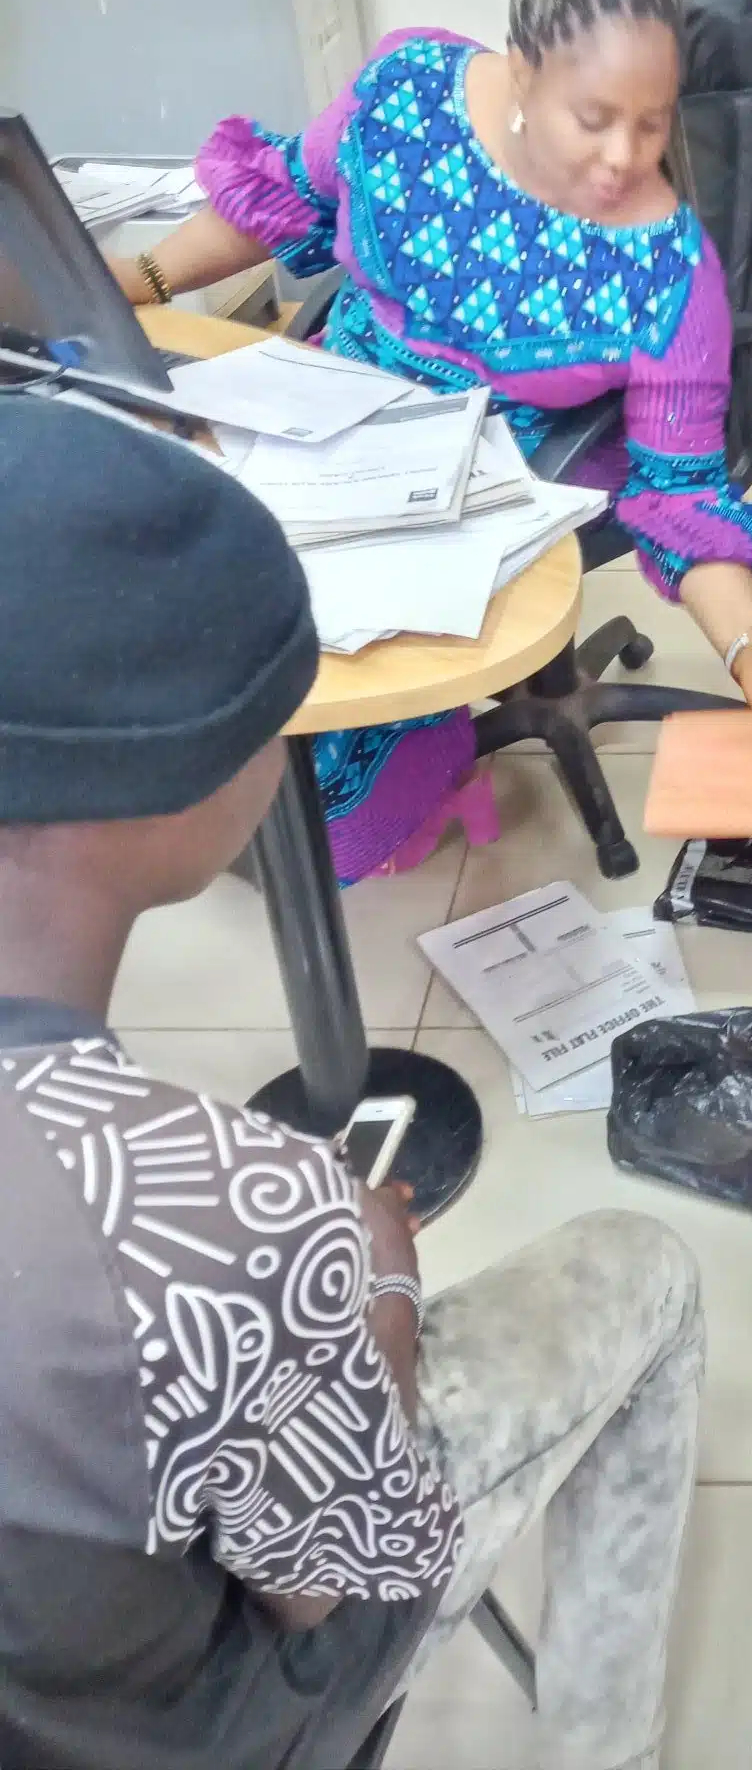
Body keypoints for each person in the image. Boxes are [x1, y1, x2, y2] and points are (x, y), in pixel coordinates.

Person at [0, 393, 702, 1770]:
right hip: (193, 1724)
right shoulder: (217, 1212)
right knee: (647, 1267)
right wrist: (370, 1282)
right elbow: (328, 1573)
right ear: (179, 774)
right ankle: (606, 1749)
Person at [109, 0, 752, 883]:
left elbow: (682, 493)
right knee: (172, 581)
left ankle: (410, 783)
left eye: (652, 123)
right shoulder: (406, 97)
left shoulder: (669, 271)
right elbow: (281, 197)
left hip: (481, 471)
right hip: (318, 408)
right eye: (595, 118)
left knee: (322, 763)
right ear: (523, 70)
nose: (625, 157)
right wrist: (138, 282)